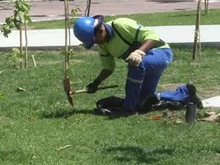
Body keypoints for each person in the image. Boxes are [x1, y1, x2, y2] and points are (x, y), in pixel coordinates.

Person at [73, 15, 204, 117]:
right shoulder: (104, 45)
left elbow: (153, 36)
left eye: (95, 40)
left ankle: (128, 109)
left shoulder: (121, 25)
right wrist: (95, 83)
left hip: (161, 53)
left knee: (135, 64)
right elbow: (108, 68)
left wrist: (139, 52)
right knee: (144, 102)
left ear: (100, 30)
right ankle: (185, 93)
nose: (97, 43)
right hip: (143, 66)